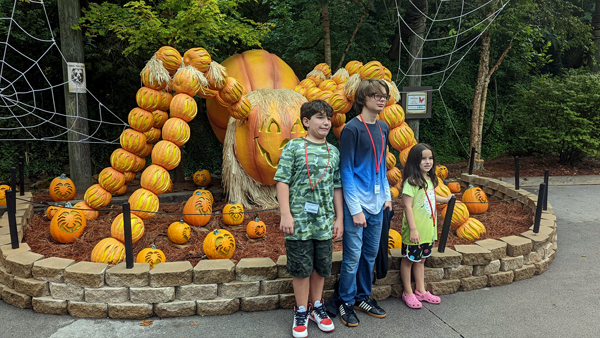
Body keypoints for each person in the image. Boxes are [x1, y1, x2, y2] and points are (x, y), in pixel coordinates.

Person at [274, 99, 344, 338]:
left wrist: (339, 219)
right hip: (299, 222)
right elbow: (282, 180)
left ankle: (317, 307)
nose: (326, 122)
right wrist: (285, 213)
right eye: (319, 117)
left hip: (324, 222)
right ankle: (301, 310)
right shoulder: (293, 147)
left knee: (322, 267)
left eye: (328, 118)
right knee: (301, 268)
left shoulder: (333, 152)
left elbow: (337, 186)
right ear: (306, 121)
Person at [336, 78, 392, 327]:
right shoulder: (351, 129)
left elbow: (383, 166)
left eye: (384, 96)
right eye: (376, 95)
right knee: (352, 256)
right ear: (363, 98)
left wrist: (387, 197)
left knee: (369, 255)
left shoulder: (384, 127)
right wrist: (355, 209)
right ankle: (345, 301)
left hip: (378, 204)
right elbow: (345, 171)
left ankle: (362, 296)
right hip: (356, 206)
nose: (381, 99)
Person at [400, 143, 452, 309]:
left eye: (430, 158)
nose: (427, 162)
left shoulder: (430, 180)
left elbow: (430, 197)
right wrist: (413, 229)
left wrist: (444, 200)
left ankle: (420, 290)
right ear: (415, 161)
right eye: (423, 158)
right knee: (409, 260)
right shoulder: (411, 182)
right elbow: (407, 206)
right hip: (415, 231)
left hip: (428, 230)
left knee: (421, 260)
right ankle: (407, 292)